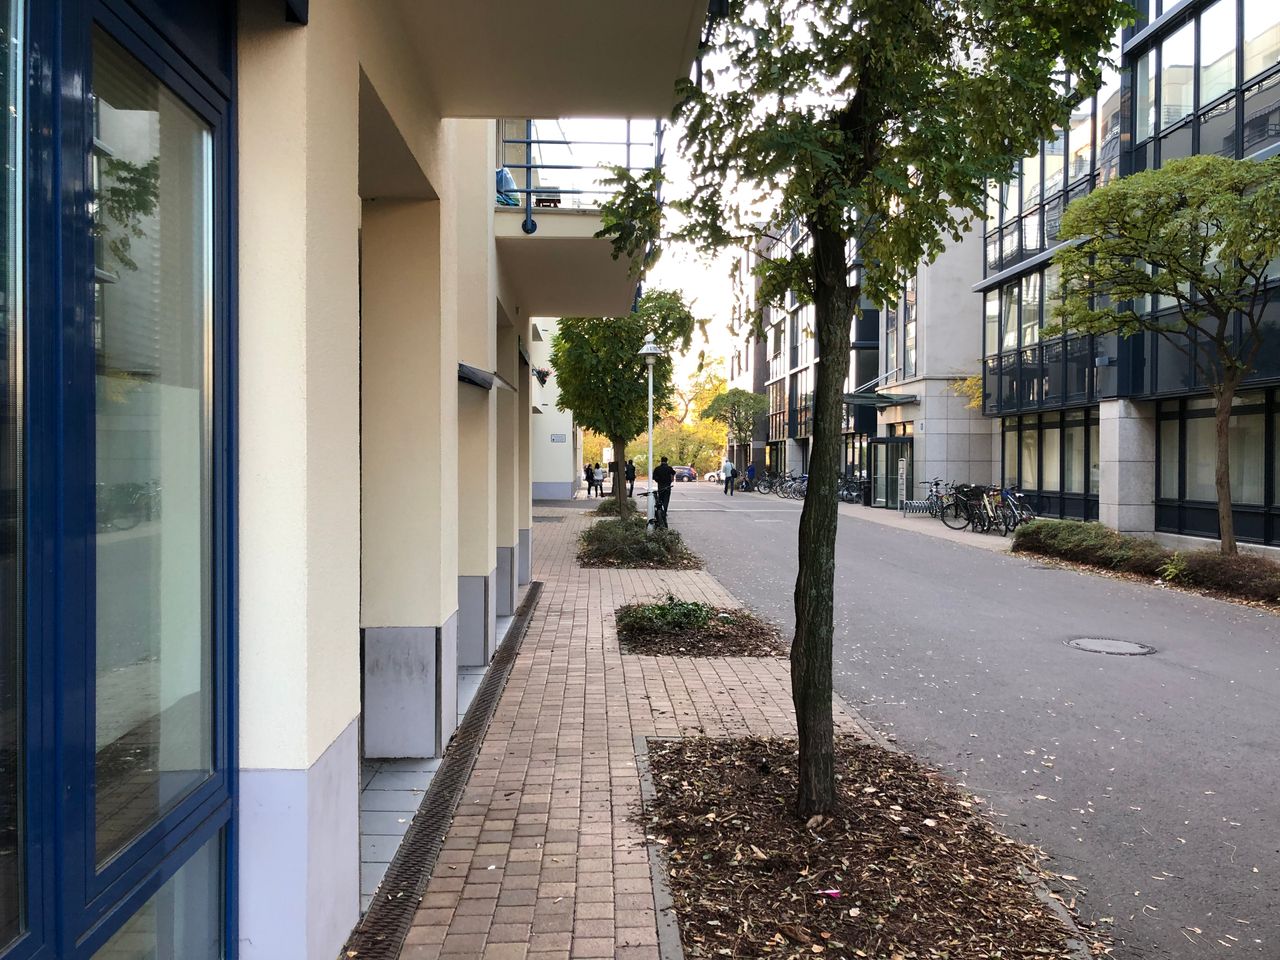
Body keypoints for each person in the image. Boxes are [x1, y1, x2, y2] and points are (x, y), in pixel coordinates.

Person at [652, 455, 676, 523]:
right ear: (666, 461)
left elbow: (654, 477)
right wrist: (670, 479)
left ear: (661, 461)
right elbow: (673, 473)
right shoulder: (669, 468)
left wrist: (658, 480)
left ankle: (660, 512)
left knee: (660, 499)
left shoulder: (657, 468)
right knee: (666, 500)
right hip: (668, 486)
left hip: (660, 486)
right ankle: (664, 512)